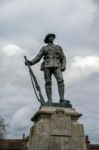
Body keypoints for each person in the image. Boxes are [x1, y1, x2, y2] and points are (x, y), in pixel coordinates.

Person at [25, 33, 66, 103]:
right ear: (47, 39)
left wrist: (63, 65)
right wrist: (31, 62)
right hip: (47, 65)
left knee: (60, 80)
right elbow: (38, 57)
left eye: (52, 37)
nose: (52, 37)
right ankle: (49, 99)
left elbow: (63, 57)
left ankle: (62, 98)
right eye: (50, 37)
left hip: (57, 64)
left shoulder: (58, 47)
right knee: (48, 82)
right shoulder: (44, 48)